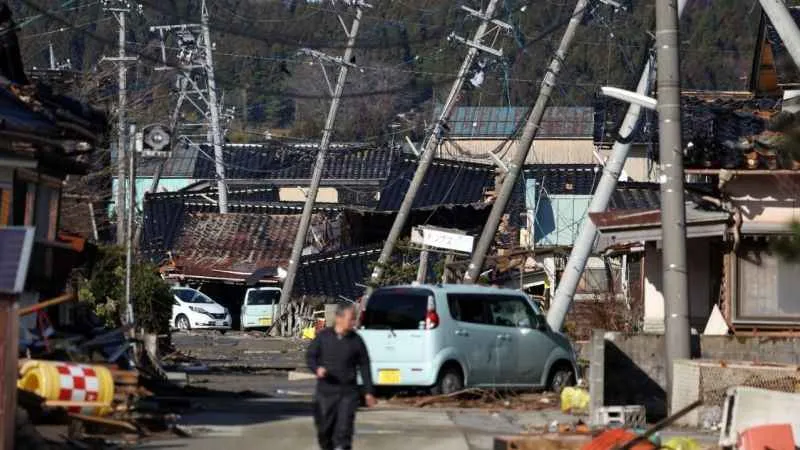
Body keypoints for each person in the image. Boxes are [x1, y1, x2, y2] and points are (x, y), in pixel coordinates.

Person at [306, 303, 376, 450]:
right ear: (339, 318)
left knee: (344, 430)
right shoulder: (324, 337)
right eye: (351, 319)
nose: (353, 322)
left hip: (348, 392)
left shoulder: (356, 340)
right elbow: (310, 356)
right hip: (326, 392)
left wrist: (369, 392)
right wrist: (317, 368)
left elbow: (364, 365)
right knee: (324, 429)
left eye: (354, 319)